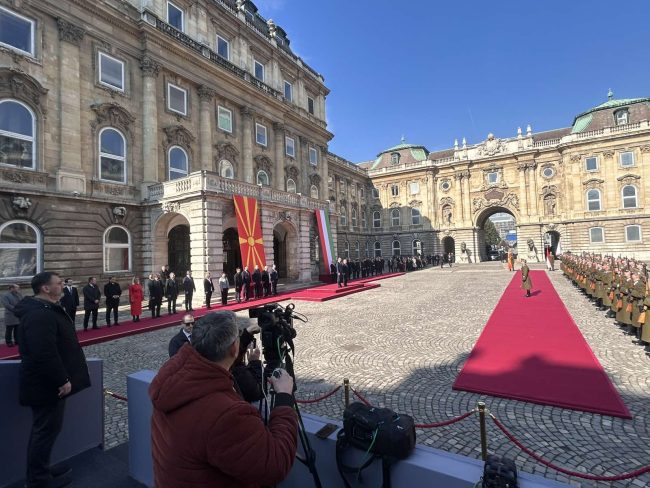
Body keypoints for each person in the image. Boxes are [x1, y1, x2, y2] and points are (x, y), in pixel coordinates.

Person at [149, 311, 297, 488]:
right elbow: (275, 465)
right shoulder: (226, 415)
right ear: (233, 349)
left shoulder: (172, 378)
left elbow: (215, 360)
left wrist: (244, 338)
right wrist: (284, 398)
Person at [15, 272, 90, 488]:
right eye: (58, 283)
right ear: (45, 289)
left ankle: (42, 469)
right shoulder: (40, 314)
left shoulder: (45, 309)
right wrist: (62, 379)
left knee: (48, 431)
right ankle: (38, 480)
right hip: (47, 386)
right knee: (44, 432)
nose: (63, 286)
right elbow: (43, 353)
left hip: (46, 384)